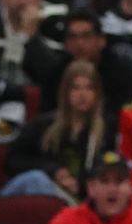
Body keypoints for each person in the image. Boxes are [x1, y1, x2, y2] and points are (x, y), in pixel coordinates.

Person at [8, 58, 111, 201]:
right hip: (45, 188)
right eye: (76, 88)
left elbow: (109, 170)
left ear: (97, 93)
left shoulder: (107, 130)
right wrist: (53, 171)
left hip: (82, 199)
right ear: (65, 92)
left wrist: (79, 185)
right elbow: (13, 161)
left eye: (89, 88)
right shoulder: (43, 125)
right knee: (36, 180)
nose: (83, 94)